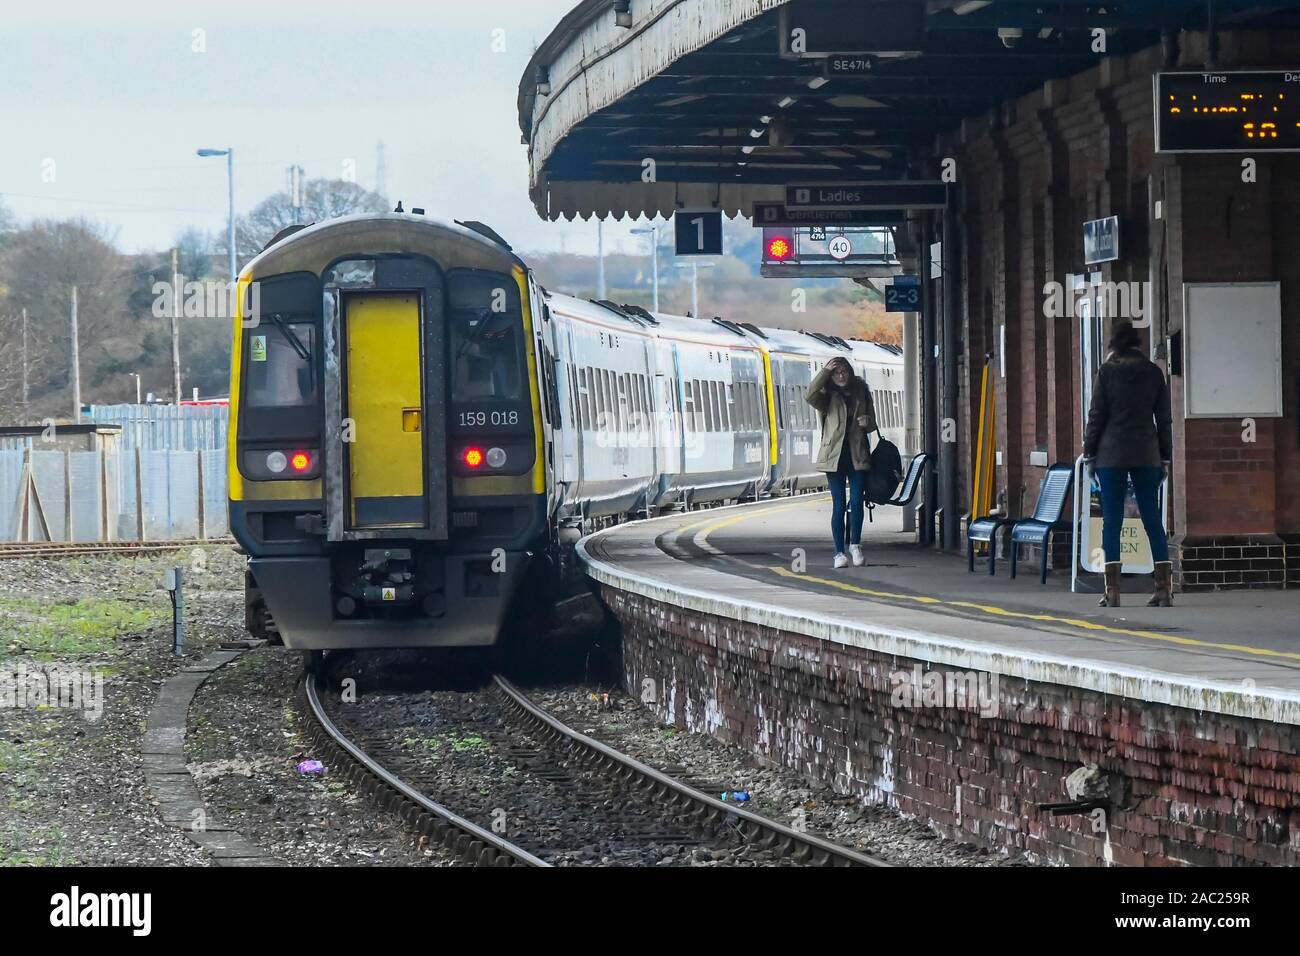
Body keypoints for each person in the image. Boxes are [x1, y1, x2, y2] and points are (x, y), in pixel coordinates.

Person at [1082, 321, 1174, 608]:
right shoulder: (1153, 373)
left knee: (1112, 521)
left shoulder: (1107, 372)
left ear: (1114, 344)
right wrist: (1165, 457)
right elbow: (1165, 420)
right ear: (1137, 343)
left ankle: (1113, 591)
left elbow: (1095, 416)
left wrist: (1089, 454)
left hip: (1111, 455)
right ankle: (1163, 589)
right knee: (1152, 518)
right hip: (1146, 452)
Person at [807, 356, 877, 569]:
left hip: (857, 455)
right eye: (836, 373)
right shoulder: (826, 396)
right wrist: (824, 373)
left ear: (850, 372)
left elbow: (873, 423)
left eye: (844, 371)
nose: (840, 376)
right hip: (833, 457)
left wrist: (867, 422)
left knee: (856, 502)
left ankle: (855, 545)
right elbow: (809, 395)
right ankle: (839, 553)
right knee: (838, 505)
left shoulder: (861, 391)